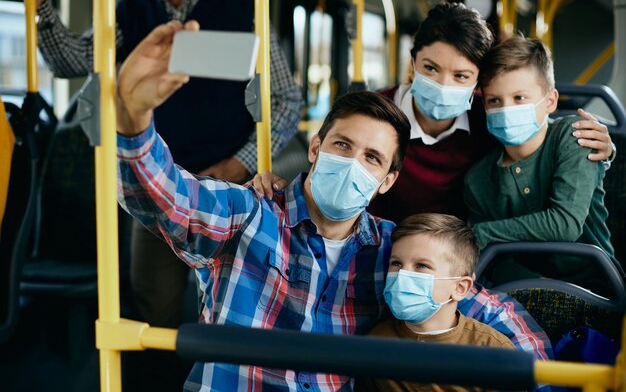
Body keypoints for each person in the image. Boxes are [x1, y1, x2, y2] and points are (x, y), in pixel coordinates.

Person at [116, 20, 552, 390]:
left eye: (372, 159)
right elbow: (165, 196)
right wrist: (133, 121)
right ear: (316, 147)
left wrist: (549, 380)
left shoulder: (391, 254)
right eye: (343, 146)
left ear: (387, 181)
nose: (352, 165)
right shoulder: (247, 215)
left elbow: (489, 311)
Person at [8, 0, 304, 332]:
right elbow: (70, 62)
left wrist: (239, 164)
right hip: (154, 188)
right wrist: (39, 2)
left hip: (231, 196)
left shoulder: (246, 12)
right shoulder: (130, 13)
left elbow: (285, 101)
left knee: (236, 311)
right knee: (154, 314)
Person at [368, 2, 614, 225]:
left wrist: (603, 148)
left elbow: (540, 135)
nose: (444, 85)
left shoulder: (490, 114)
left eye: (461, 76)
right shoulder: (372, 114)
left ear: (478, 83)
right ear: (413, 63)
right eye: (430, 68)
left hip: (462, 249)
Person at [464, 36, 623, 290]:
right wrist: (537, 288)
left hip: (597, 285)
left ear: (550, 101)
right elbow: (495, 261)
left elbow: (565, 224)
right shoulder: (477, 179)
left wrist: (481, 233)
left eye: (519, 98)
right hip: (521, 290)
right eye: (495, 100)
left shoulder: (573, 135)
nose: (506, 109)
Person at [356, 213, 516, 392]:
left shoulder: (494, 352)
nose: (402, 275)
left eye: (422, 266)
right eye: (397, 263)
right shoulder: (375, 343)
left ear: (460, 288)